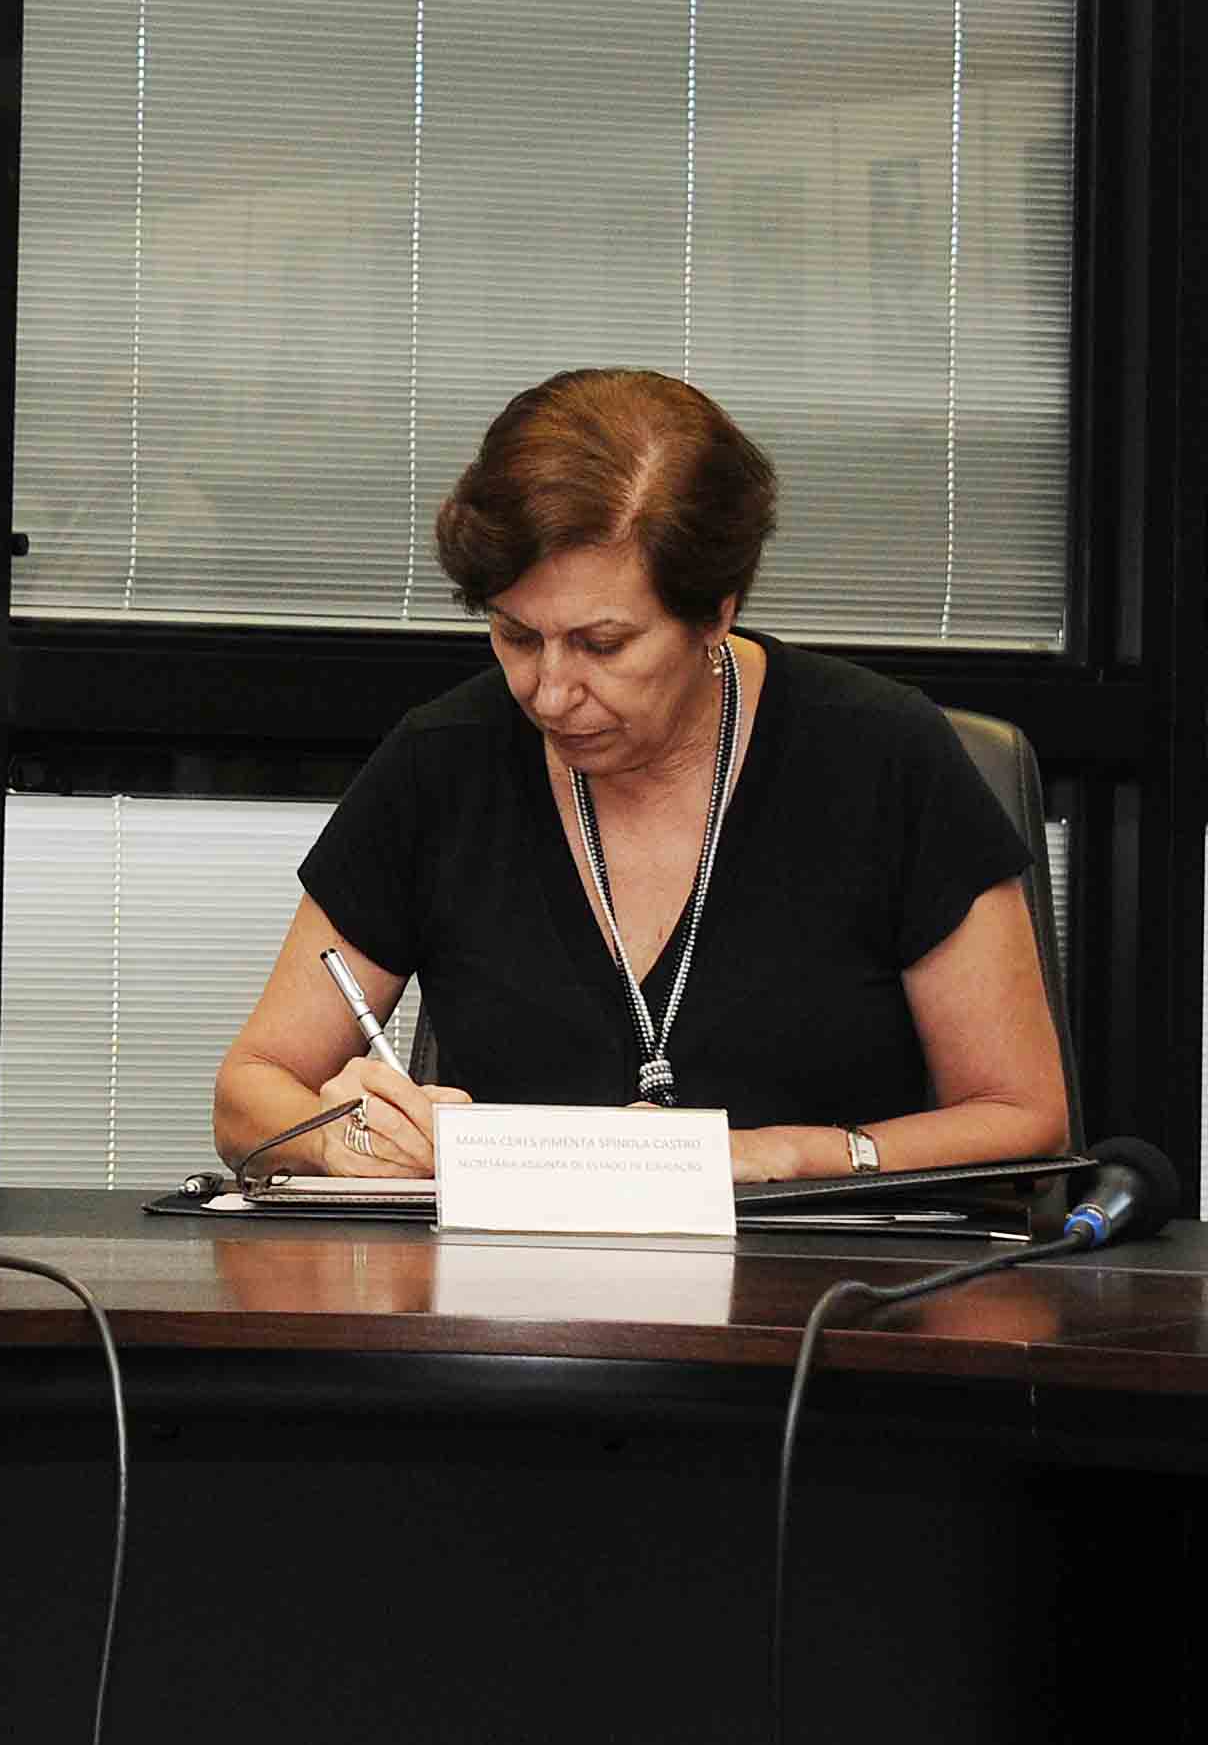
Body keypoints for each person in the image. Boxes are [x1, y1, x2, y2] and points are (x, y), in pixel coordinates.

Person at [213, 368, 1066, 1188]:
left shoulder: (882, 758)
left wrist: (785, 1157)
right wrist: (338, 1137)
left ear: (716, 611)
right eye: (515, 636)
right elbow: (249, 1091)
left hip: (820, 1309)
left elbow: (1023, 1116)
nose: (549, 690)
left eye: (602, 644)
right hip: (512, 1318)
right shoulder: (442, 764)